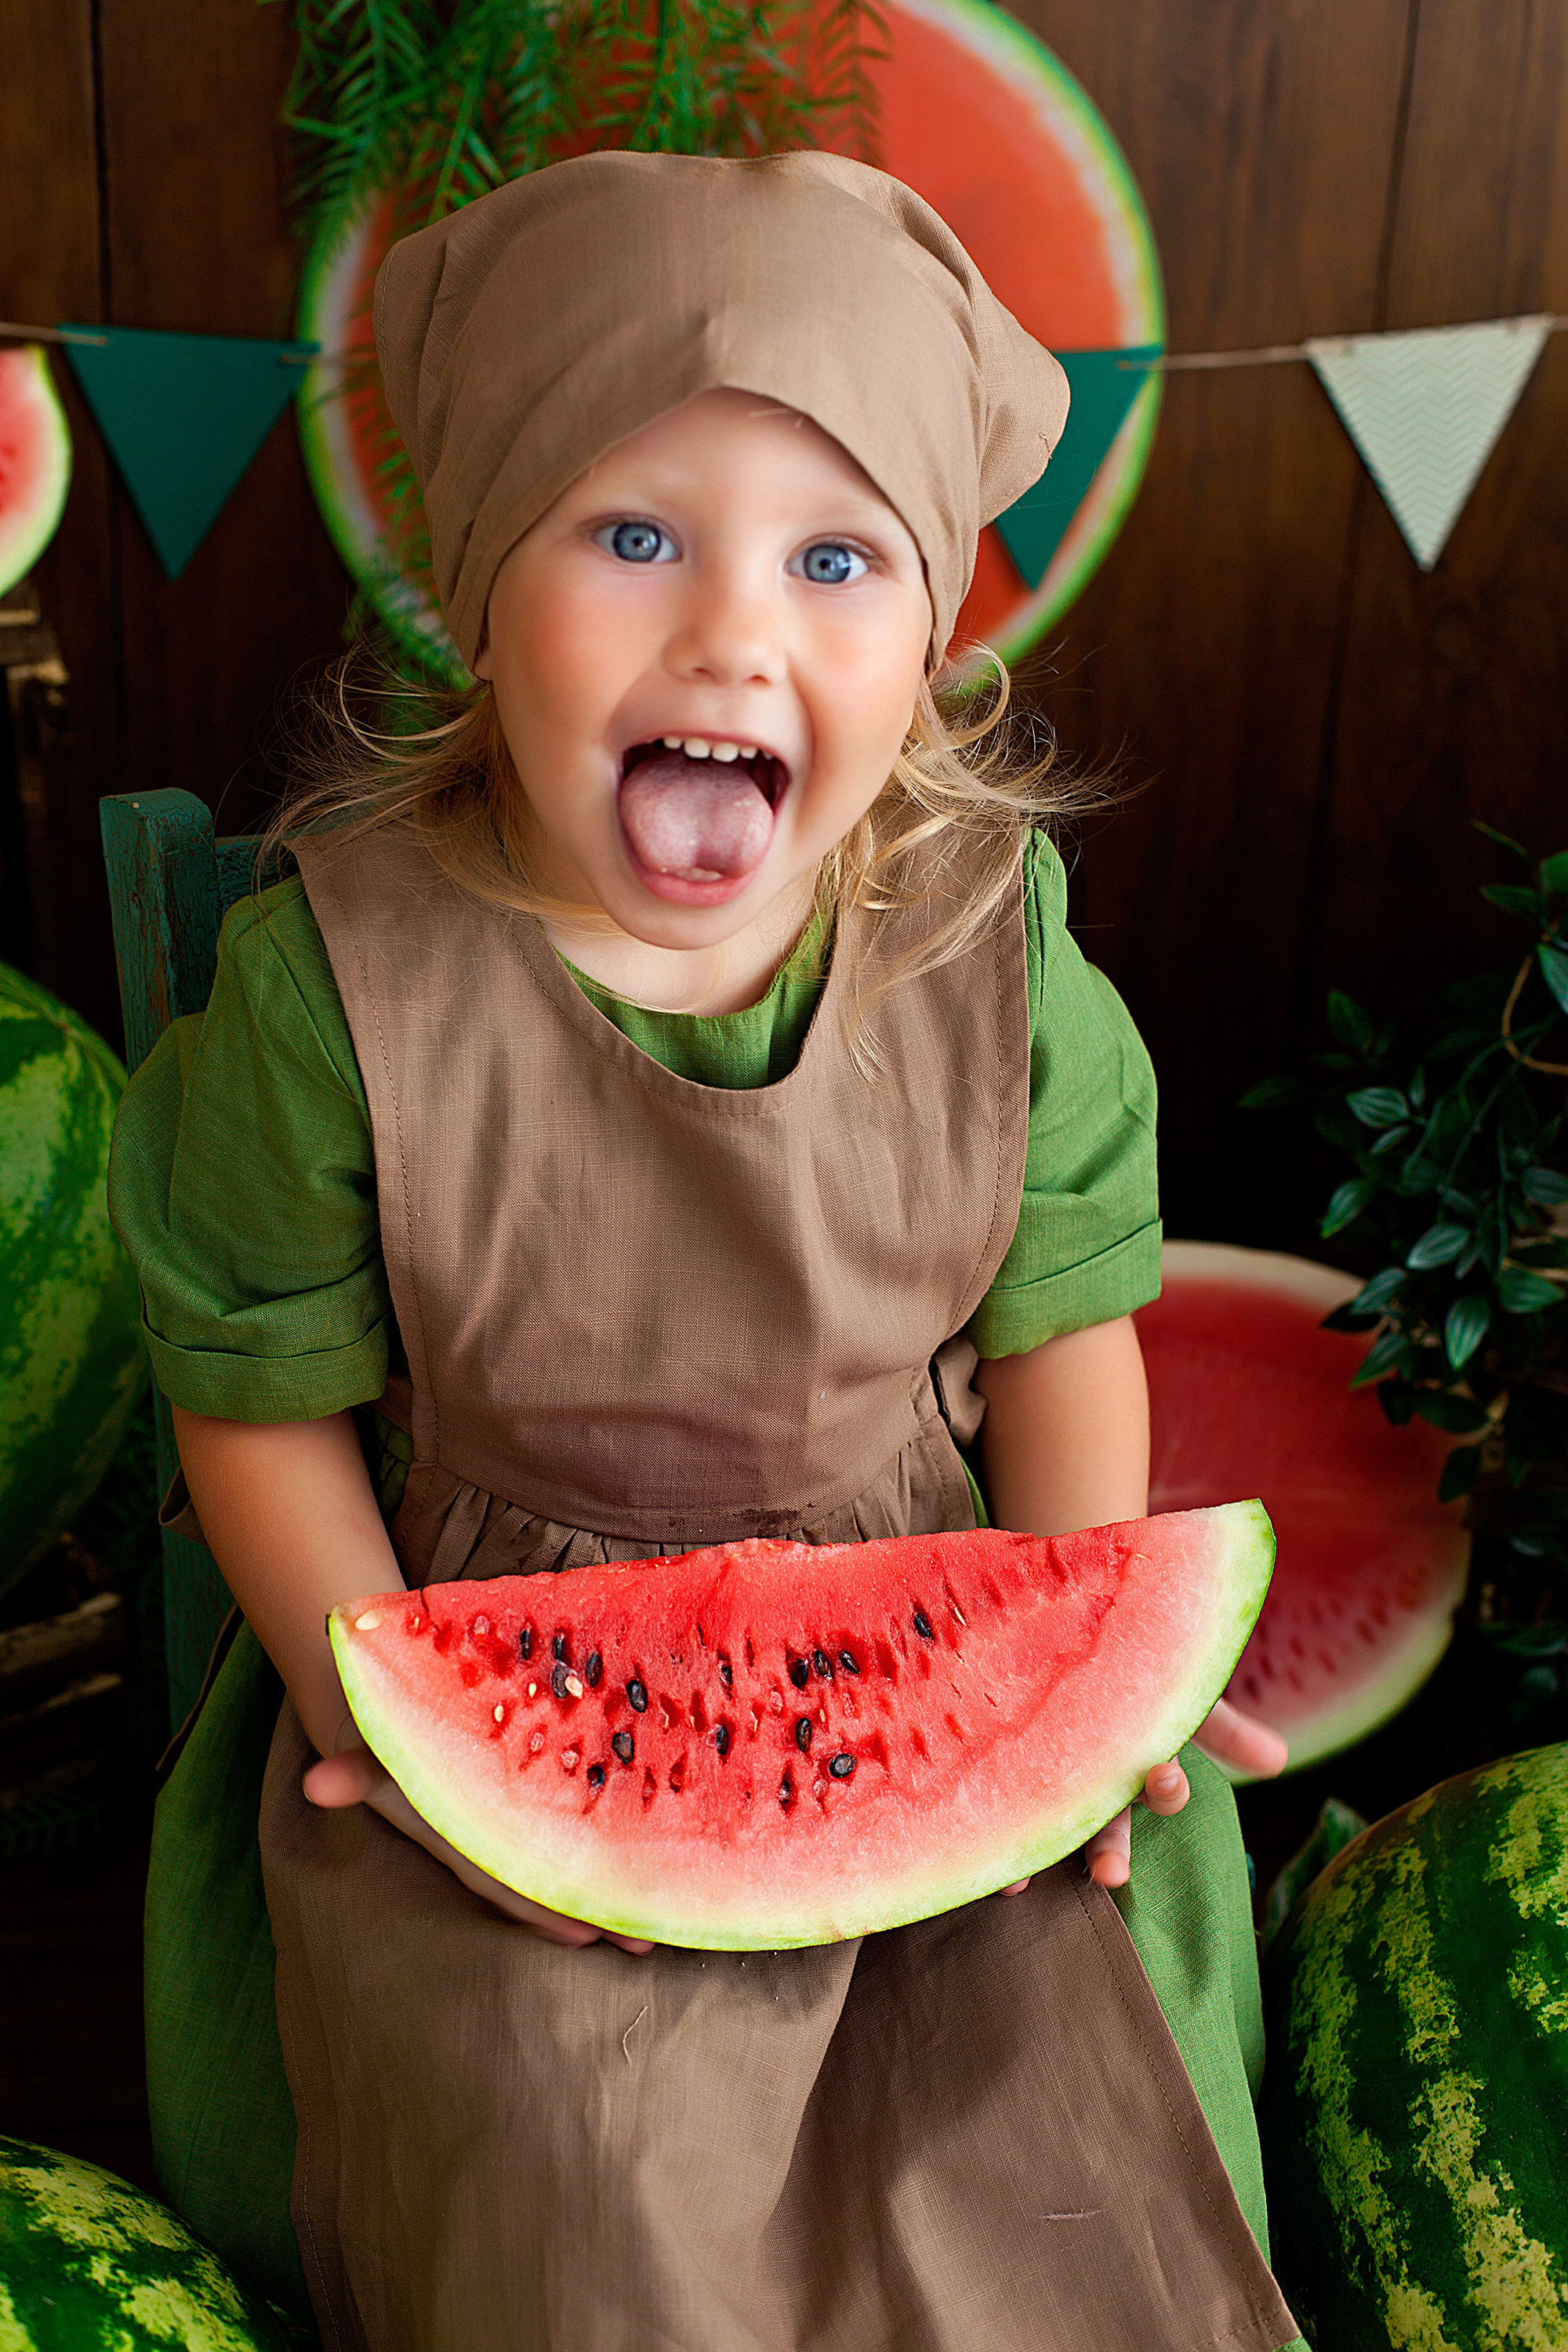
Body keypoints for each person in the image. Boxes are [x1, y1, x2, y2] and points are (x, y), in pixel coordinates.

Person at [111, 148, 1301, 2352]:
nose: (733, 631)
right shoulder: (328, 991)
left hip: (937, 1605)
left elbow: (1066, 1334)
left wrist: (1062, 1667)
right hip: (484, 1643)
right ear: (480, 586)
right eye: (634, 535)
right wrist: (374, 1692)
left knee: (1086, 2123)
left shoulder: (989, 949)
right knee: (573, 2172)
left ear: (936, 624)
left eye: (837, 558)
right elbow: (253, 1395)